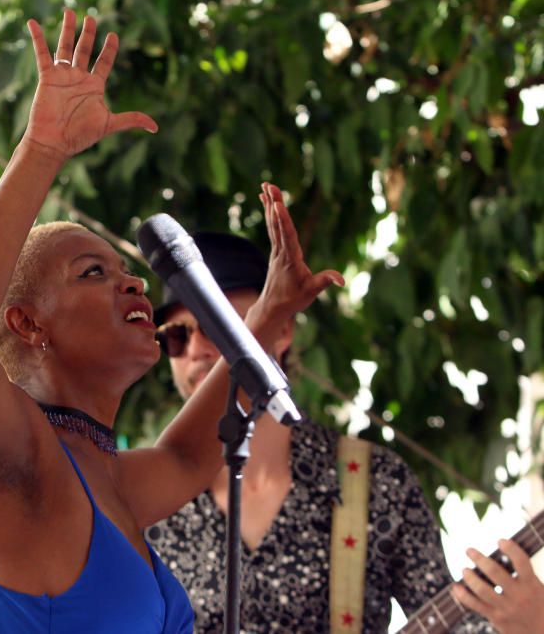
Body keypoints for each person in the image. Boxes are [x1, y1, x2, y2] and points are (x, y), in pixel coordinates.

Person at [0, 9, 341, 633]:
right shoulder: (22, 459)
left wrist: (271, 311)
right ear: (29, 324)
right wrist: (41, 150)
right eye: (93, 273)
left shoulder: (105, 471)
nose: (133, 281)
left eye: (127, 270)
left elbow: (190, 456)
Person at [142, 230, 511, 632]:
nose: (196, 349)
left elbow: (457, 626)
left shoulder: (376, 482)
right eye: (177, 336)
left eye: (216, 323)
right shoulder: (143, 500)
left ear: (281, 329)